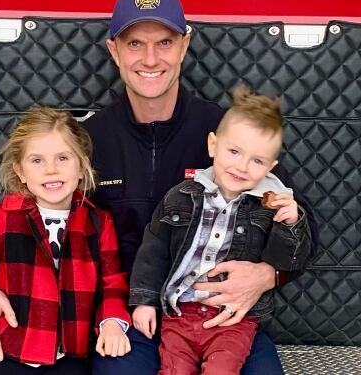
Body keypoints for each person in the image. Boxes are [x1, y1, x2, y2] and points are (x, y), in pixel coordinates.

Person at [0, 0, 305, 375]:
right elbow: (25, 217)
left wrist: (268, 275)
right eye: (134, 44)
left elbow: (296, 218)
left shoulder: (226, 134)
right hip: (124, 316)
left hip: (220, 316)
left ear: (184, 45)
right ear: (114, 50)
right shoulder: (89, 140)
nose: (150, 58)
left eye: (164, 42)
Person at [0, 107, 131, 375]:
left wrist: (111, 321)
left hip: (69, 355)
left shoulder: (98, 222)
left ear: (82, 166)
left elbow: (112, 283)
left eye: (63, 158)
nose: (51, 170)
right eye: (37, 161)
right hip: (8, 352)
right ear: (20, 171)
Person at [129, 86, 311, 375]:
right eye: (234, 151)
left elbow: (283, 261)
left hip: (233, 320)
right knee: (173, 370)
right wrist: (144, 301)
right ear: (213, 145)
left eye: (257, 161)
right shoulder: (182, 196)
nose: (242, 166)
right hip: (178, 314)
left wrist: (289, 226)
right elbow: (154, 252)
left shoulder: (271, 206)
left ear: (271, 167)